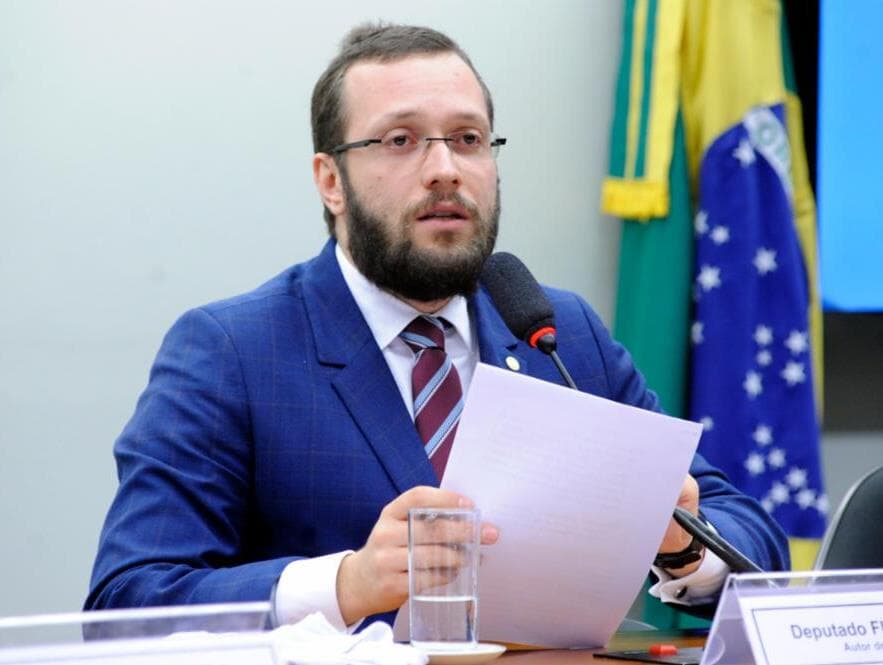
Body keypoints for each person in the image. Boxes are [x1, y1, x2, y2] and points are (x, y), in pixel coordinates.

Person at [85, 23, 789, 631]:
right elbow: (129, 601)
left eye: (468, 139)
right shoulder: (233, 351)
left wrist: (682, 545)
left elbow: (753, 540)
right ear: (330, 180)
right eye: (401, 140)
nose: (445, 169)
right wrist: (346, 584)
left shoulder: (556, 333)